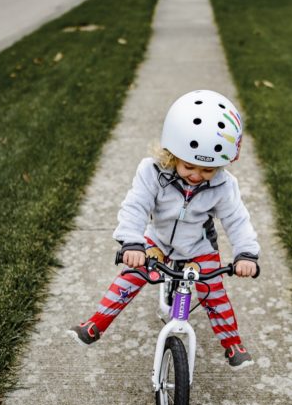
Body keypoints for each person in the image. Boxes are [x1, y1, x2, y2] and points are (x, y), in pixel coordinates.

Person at [68, 89, 260, 370]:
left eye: (208, 171)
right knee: (130, 277)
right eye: (189, 166)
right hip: (157, 241)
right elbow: (136, 206)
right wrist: (132, 243)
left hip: (198, 248)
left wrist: (246, 254)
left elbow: (236, 219)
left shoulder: (224, 186)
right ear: (172, 152)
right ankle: (96, 324)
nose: (196, 176)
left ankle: (232, 344)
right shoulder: (151, 172)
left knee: (213, 292)